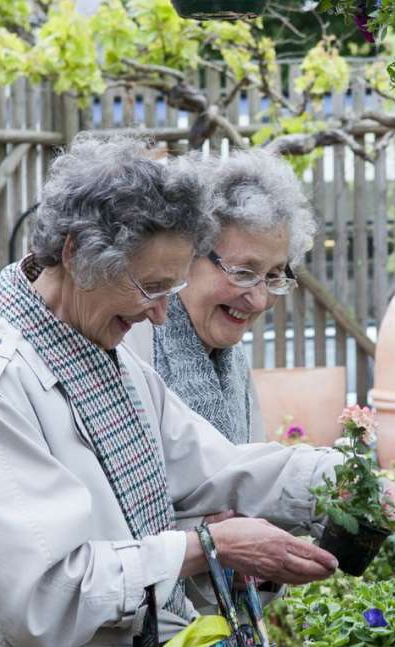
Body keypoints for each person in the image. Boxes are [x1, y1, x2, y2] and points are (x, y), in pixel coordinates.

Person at [0, 135, 341, 647]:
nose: (162, 314)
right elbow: (45, 596)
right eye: (149, 287)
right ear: (76, 253)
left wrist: (334, 479)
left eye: (172, 288)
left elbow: (213, 466)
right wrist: (206, 548)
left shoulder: (108, 359)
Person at [126, 149, 314, 444]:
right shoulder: (132, 342)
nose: (260, 301)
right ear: (187, 256)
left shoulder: (231, 364)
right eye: (242, 272)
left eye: (274, 276)